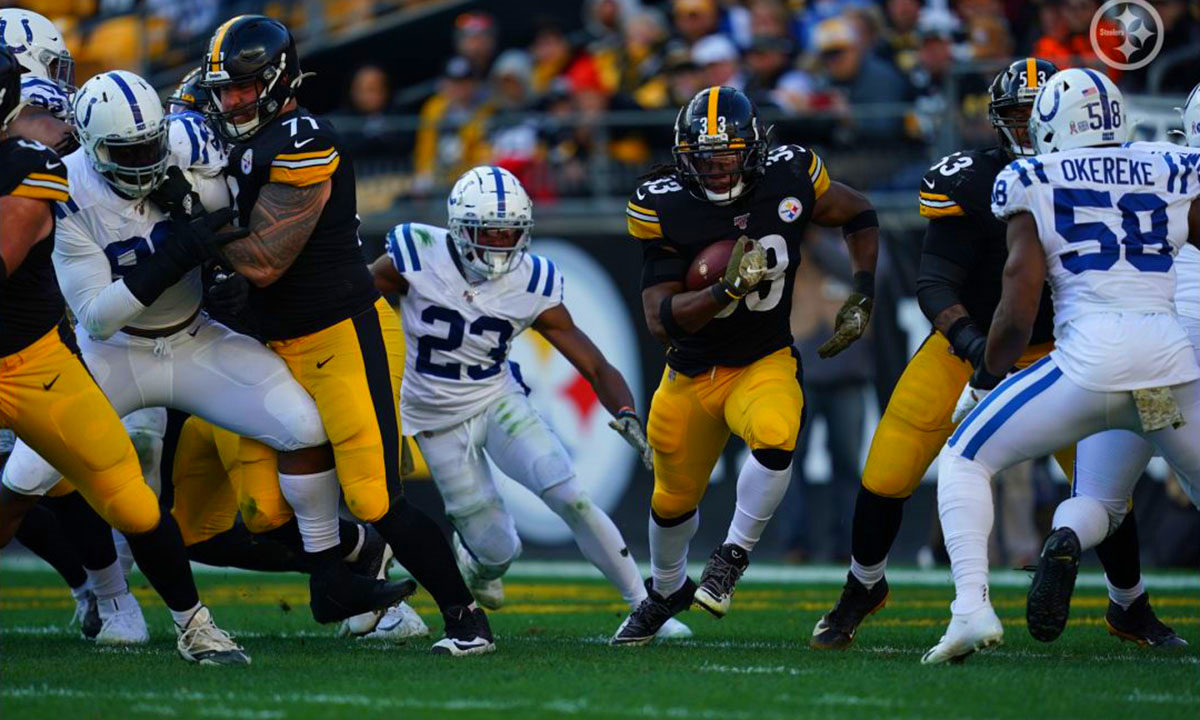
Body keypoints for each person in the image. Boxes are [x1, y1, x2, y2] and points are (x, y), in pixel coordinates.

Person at [812, 58, 1178, 651]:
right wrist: (980, 353)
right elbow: (935, 284)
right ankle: (863, 586)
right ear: (997, 123)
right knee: (888, 470)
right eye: (1019, 117)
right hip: (971, 346)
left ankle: (1129, 605)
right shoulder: (977, 181)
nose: (1033, 130)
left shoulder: (1114, 179)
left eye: (1044, 117)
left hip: (1070, 349)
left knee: (1106, 485)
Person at [197, 15, 489, 655]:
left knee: (376, 495)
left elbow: (266, 260)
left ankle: (466, 618)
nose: (232, 100)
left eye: (245, 86)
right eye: (224, 88)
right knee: (265, 513)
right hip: (264, 342)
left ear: (276, 79)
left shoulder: (304, 136)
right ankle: (347, 570)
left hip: (340, 332)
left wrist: (190, 227)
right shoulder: (218, 136)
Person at [924, 68, 1200, 664]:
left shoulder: (1029, 176)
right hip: (1169, 371)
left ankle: (970, 609)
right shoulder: (1168, 168)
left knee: (965, 458)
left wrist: (986, 378)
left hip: (1089, 365)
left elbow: (1018, 304)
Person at [368, 166, 692, 643]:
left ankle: (645, 608)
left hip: (498, 399)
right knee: (498, 550)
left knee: (571, 495)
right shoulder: (418, 251)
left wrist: (624, 411)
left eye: (510, 231)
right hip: (435, 418)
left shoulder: (532, 280)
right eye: (489, 231)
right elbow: (354, 299)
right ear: (458, 228)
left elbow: (594, 363)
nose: (500, 243)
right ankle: (479, 560)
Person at [0, 47, 248, 666]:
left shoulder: (28, 164)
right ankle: (105, 597)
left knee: (130, 496)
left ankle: (195, 625)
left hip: (29, 362)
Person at [610, 86, 879, 645]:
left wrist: (863, 288)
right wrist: (721, 293)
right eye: (703, 157)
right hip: (689, 371)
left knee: (778, 432)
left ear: (754, 149)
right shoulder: (665, 203)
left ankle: (731, 557)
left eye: (727, 155)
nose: (714, 168)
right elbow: (660, 318)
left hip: (763, 358)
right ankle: (664, 593)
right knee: (670, 499)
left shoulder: (792, 174)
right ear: (685, 156)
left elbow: (858, 212)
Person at [1039, 85, 1200, 648]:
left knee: (1101, 500)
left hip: (1118, 356)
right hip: (1181, 368)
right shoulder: (1173, 171)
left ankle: (1065, 535)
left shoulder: (1149, 164)